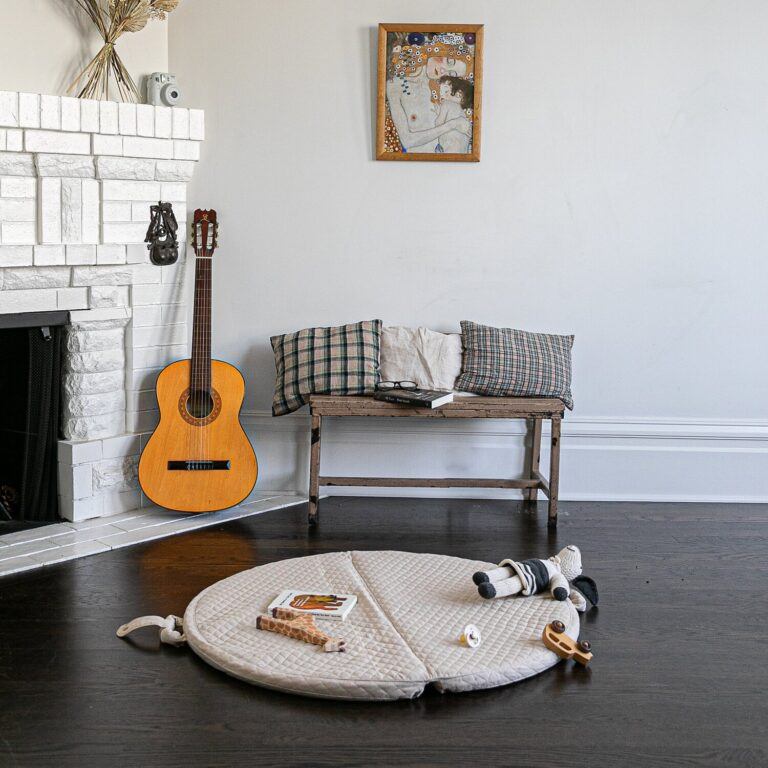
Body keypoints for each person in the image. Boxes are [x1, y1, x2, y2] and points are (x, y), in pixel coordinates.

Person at [433, 75, 474, 153]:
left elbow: (438, 124)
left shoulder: (447, 104)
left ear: (459, 94)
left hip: (448, 147)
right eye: (441, 92)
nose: (442, 95)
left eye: (446, 91)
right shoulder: (462, 113)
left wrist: (439, 115)